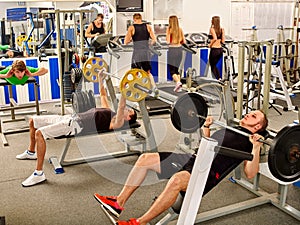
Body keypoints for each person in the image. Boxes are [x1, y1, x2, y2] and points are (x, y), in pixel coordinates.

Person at [94, 110, 268, 225]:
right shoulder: (232, 127)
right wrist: (206, 128)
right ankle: (118, 202)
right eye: (250, 113)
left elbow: (250, 174)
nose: (248, 115)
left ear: (258, 127)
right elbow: (206, 143)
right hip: (193, 158)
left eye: (253, 117)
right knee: (145, 159)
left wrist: (256, 147)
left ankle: (139, 223)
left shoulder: (249, 142)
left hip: (206, 172)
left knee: (176, 180)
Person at [16, 71, 137, 187]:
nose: (126, 109)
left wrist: (124, 90)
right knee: (33, 121)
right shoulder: (110, 112)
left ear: (127, 118)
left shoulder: (117, 122)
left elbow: (121, 107)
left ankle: (39, 173)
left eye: (129, 111)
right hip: (68, 118)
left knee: (39, 133)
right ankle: (31, 152)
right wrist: (100, 78)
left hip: (72, 126)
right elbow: (103, 94)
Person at [124, 13, 158, 96]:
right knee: (147, 71)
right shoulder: (148, 27)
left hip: (137, 52)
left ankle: (138, 90)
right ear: (141, 18)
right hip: (146, 52)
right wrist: (149, 44)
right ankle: (154, 87)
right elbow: (154, 40)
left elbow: (125, 42)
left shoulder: (131, 28)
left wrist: (132, 40)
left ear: (134, 19)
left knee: (135, 71)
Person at [166, 15, 186, 92]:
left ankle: (178, 82)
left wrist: (168, 35)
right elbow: (183, 41)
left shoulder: (169, 29)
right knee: (176, 69)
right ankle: (179, 87)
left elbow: (167, 41)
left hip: (172, 50)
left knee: (172, 70)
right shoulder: (180, 29)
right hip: (179, 50)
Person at [208, 16, 225, 80]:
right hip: (220, 50)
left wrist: (210, 45)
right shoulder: (222, 29)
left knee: (212, 66)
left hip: (214, 50)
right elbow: (223, 41)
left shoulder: (212, 29)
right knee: (214, 65)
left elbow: (214, 38)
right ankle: (219, 78)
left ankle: (217, 79)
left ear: (213, 21)